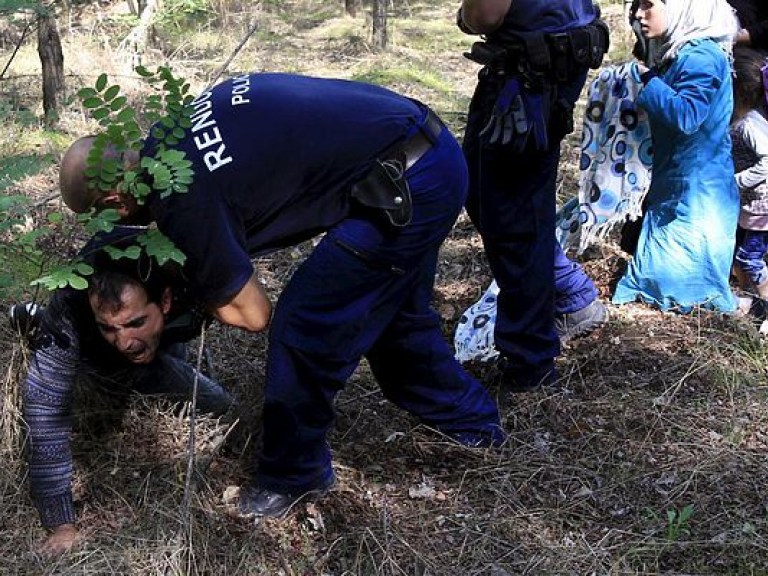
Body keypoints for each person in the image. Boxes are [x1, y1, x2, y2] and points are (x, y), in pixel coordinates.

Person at [57, 73, 506, 520]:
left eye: (101, 217)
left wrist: (193, 286)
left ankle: (294, 474)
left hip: (409, 183)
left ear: (116, 201)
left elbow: (253, 314)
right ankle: (474, 426)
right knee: (393, 321)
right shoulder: (170, 136)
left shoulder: (181, 198)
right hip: (421, 146)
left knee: (304, 325)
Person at [16, 228, 234, 556]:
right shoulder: (72, 303)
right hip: (98, 357)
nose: (123, 340)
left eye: (134, 322)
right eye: (109, 327)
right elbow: (45, 406)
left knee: (220, 405)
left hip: (170, 330)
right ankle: (37, 322)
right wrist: (61, 523)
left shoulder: (196, 276)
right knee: (213, 401)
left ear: (165, 299)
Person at [455, 1, 610, 391]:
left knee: (512, 212)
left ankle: (531, 359)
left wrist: (466, 17)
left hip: (529, 76)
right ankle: (569, 293)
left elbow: (485, 14)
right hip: (537, 65)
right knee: (482, 188)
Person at [612, 0, 740, 312]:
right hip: (679, 180)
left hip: (698, 191)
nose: (639, 14)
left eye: (649, 5)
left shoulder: (700, 57)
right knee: (660, 277)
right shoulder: (681, 52)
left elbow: (688, 115)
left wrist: (646, 81)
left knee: (685, 289)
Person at [730, 48, 768, 303]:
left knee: (749, 258)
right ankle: (747, 301)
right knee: (739, 257)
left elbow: (767, 162)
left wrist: (736, 181)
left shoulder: (749, 125)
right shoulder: (749, 120)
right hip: (751, 205)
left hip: (762, 206)